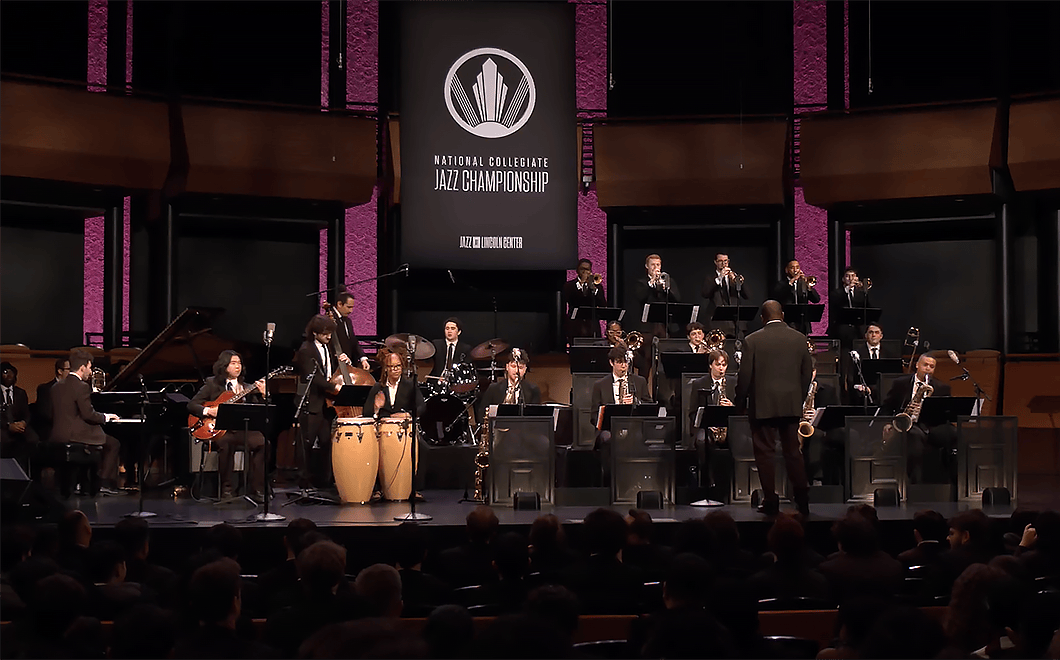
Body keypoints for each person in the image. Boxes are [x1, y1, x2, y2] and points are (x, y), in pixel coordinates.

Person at [734, 301, 812, 516]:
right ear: (783, 315)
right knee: (793, 452)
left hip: (762, 406)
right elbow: (807, 373)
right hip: (791, 404)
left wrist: (739, 403)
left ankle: (771, 501)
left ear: (762, 318)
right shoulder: (799, 338)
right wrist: (799, 398)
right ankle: (803, 500)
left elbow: (745, 376)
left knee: (765, 453)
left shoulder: (752, 340)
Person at [187, 350, 267, 499]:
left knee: (262, 442)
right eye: (233, 363)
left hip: (242, 429)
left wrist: (264, 395)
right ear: (224, 366)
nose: (238, 367)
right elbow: (191, 405)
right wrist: (209, 411)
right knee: (226, 443)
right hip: (220, 431)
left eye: (239, 363)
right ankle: (226, 489)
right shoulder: (212, 384)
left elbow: (259, 411)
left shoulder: (247, 387)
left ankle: (257, 489)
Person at [49, 349, 121, 493]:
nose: (91, 371)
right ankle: (102, 482)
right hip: (75, 435)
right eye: (89, 367)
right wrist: (106, 416)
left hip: (57, 434)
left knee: (103, 440)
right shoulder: (82, 386)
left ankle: (85, 481)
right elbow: (88, 415)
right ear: (82, 367)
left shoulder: (56, 386)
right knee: (114, 443)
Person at [294, 314, 351, 488]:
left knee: (326, 442)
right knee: (307, 445)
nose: (329, 337)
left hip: (326, 404)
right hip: (311, 403)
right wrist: (334, 388)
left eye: (330, 333)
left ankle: (324, 481)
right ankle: (304, 483)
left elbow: (329, 371)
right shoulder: (306, 350)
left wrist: (344, 362)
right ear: (315, 333)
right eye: (325, 333)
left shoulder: (328, 348)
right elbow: (315, 378)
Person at [881, 354, 954, 484]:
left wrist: (923, 409)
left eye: (932, 367)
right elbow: (887, 406)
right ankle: (914, 482)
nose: (928, 369)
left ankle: (947, 481)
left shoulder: (942, 387)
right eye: (925, 365)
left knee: (953, 433)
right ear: (917, 365)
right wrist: (887, 423)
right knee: (915, 436)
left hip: (930, 424)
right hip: (908, 423)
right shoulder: (900, 383)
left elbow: (944, 413)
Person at [476, 349, 541, 423]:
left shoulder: (533, 390)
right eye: (513, 366)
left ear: (525, 369)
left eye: (520, 367)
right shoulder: (493, 388)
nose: (517, 371)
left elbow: (535, 419)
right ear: (507, 367)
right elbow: (481, 414)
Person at [701, 253, 751, 335]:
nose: (724, 263)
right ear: (715, 262)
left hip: (736, 324)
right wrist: (719, 278)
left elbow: (747, 295)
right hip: (718, 323)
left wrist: (738, 282)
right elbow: (705, 294)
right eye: (720, 261)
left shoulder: (734, 277)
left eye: (725, 261)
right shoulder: (710, 278)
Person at [1, 361, 39, 468]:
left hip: (20, 425)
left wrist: (23, 422)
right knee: (4, 440)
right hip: (3, 426)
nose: (9, 376)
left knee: (33, 439)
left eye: (11, 373)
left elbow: (26, 413)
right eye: (5, 372)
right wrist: (8, 425)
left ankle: (31, 472)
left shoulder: (20, 393)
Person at [562, 258, 607, 345]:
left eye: (587, 269)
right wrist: (581, 285)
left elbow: (602, 304)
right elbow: (568, 299)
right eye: (583, 269)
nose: (585, 272)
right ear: (577, 270)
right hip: (576, 325)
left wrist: (593, 288)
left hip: (592, 326)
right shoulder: (569, 285)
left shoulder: (597, 286)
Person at [849, 323, 897, 404]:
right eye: (871, 332)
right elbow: (850, 378)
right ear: (866, 335)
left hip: (884, 391)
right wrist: (859, 387)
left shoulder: (890, 355)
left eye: (876, 332)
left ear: (881, 336)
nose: (873, 335)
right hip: (863, 393)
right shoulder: (856, 354)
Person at [771, 260, 820, 335]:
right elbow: (778, 296)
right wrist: (792, 282)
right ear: (787, 270)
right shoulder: (781, 284)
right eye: (792, 268)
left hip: (803, 322)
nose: (795, 270)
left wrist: (809, 287)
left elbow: (816, 300)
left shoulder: (803, 283)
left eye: (797, 267)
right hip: (788, 321)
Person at [326, 291, 371, 371]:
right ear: (339, 304)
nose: (351, 311)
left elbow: (353, 341)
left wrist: (363, 358)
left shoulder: (347, 321)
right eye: (349, 307)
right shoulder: (329, 320)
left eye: (352, 307)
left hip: (349, 364)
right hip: (335, 365)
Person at [829, 267, 872, 350]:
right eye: (847, 276)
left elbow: (868, 308)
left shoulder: (861, 293)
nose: (851, 279)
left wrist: (864, 291)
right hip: (842, 329)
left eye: (853, 276)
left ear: (857, 278)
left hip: (858, 329)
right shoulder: (836, 293)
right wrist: (847, 291)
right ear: (843, 279)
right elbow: (838, 305)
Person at [33, 358, 69, 444]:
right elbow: (46, 413)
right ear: (60, 371)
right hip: (52, 427)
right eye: (69, 369)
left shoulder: (75, 388)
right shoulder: (45, 389)